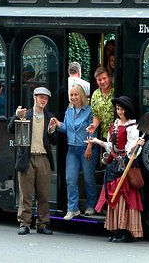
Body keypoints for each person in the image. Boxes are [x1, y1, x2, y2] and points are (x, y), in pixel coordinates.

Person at [89, 96, 145, 242]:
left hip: (125, 166)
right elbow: (110, 145)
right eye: (118, 109)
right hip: (113, 165)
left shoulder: (132, 127)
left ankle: (125, 231)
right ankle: (116, 230)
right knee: (113, 198)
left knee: (124, 198)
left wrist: (136, 145)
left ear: (127, 110)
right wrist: (96, 141)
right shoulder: (115, 124)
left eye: (121, 109)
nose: (119, 111)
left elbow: (131, 151)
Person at [7, 86, 57, 236]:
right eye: (41, 97)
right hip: (26, 158)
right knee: (26, 194)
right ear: (34, 97)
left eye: (46, 98)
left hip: (43, 158)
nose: (43, 100)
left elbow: (54, 141)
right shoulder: (24, 114)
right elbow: (10, 130)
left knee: (43, 194)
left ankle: (42, 224)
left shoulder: (49, 117)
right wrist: (16, 116)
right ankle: (24, 223)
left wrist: (52, 130)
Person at [49, 84, 98, 220]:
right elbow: (65, 128)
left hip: (86, 148)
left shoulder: (89, 111)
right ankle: (72, 208)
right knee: (70, 179)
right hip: (72, 149)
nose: (73, 97)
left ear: (81, 95)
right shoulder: (69, 110)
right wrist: (57, 124)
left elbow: (93, 130)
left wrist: (89, 147)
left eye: (76, 94)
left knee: (88, 178)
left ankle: (91, 206)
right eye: (71, 95)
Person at [90, 66, 114, 141]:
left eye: (104, 78)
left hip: (118, 134)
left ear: (109, 78)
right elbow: (96, 115)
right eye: (99, 80)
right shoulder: (95, 95)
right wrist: (94, 126)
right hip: (104, 134)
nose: (102, 82)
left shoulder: (116, 92)